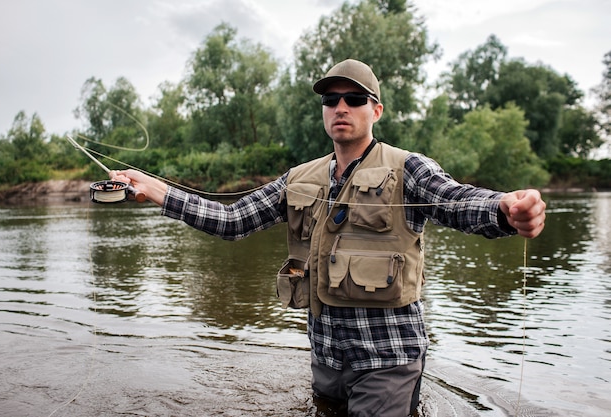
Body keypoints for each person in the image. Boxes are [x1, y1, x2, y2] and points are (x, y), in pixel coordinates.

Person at [110, 59, 546, 417]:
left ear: (375, 110)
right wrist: (156, 189)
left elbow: (457, 201)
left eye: (354, 99)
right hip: (327, 364)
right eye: (331, 99)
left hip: (388, 362)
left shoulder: (410, 168)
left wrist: (505, 210)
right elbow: (232, 221)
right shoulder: (299, 178)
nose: (341, 106)